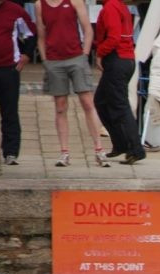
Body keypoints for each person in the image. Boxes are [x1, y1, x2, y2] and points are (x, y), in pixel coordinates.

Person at [35, 0, 108, 168]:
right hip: (54, 60)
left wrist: (85, 54)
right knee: (60, 107)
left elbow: (87, 29)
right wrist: (45, 60)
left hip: (76, 57)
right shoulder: (40, 5)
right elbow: (41, 34)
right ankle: (64, 152)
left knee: (88, 102)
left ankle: (99, 149)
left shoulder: (75, 1)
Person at [0, 0, 35, 166]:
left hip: (9, 68)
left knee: (10, 111)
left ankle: (11, 152)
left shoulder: (15, 11)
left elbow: (30, 34)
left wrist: (26, 55)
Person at [93, 0, 144, 164]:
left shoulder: (111, 7)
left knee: (119, 105)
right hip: (125, 59)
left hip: (117, 59)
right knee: (102, 101)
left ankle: (135, 149)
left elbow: (113, 37)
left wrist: (100, 53)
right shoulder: (120, 5)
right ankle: (121, 144)